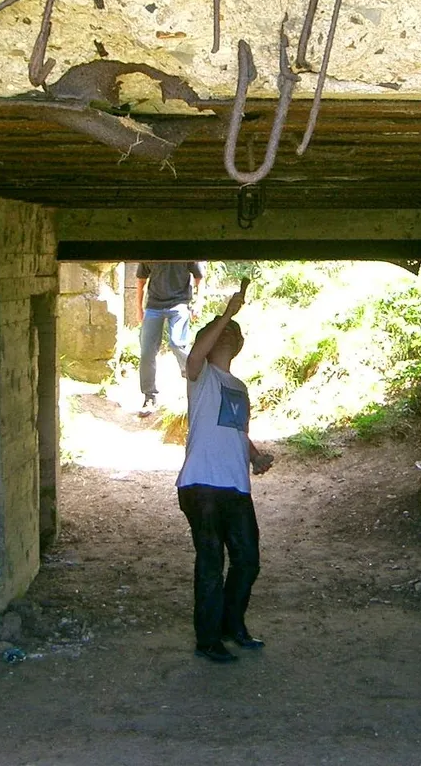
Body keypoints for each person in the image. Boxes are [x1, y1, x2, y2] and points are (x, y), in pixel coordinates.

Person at [176, 279, 273, 663]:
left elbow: (235, 428)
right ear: (210, 339)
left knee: (248, 559)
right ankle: (208, 640)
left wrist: (254, 455)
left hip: (235, 484)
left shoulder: (239, 386)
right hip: (201, 484)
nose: (229, 333)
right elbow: (193, 356)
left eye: (233, 330)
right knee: (212, 561)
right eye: (222, 330)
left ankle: (232, 626)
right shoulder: (200, 376)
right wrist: (227, 312)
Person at [135, 260, 205, 414]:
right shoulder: (150, 251)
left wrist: (198, 303)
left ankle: (195, 377)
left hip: (179, 303)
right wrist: (139, 308)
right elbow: (141, 279)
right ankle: (149, 397)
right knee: (147, 352)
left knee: (177, 343)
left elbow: (199, 277)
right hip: (154, 305)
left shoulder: (186, 249)